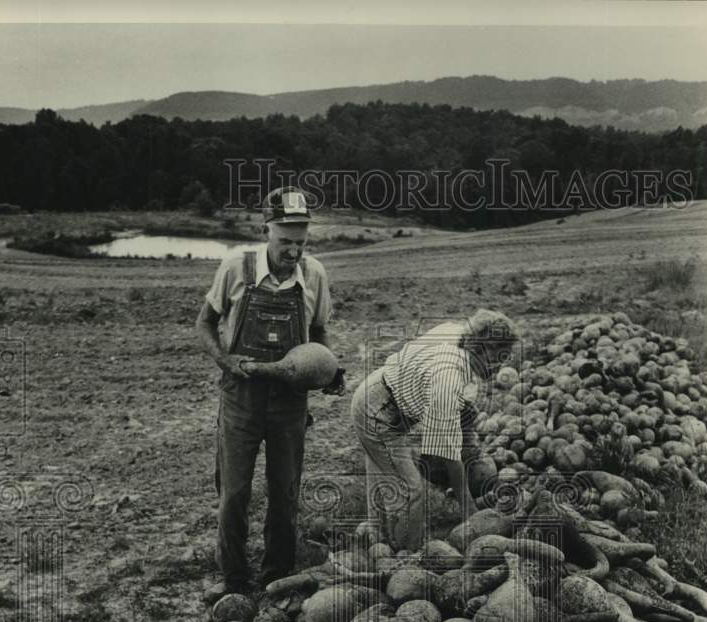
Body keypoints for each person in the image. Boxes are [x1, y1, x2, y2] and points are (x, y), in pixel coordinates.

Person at [196, 186, 344, 598]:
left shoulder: (314, 274)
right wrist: (225, 361)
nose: (294, 252)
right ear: (266, 230)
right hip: (241, 399)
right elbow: (204, 323)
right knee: (234, 493)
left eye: (301, 242)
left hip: (290, 404)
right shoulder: (235, 268)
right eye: (285, 242)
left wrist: (326, 370)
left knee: (285, 491)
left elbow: (318, 332)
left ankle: (278, 578)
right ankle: (234, 581)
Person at [350, 310, 518, 551]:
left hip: (382, 393)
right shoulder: (449, 377)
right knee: (411, 490)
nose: (500, 365)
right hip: (377, 411)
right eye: (498, 357)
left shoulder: (460, 333)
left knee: (382, 472)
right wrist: (468, 508)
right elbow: (449, 454)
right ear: (481, 347)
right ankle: (406, 556)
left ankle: (376, 538)